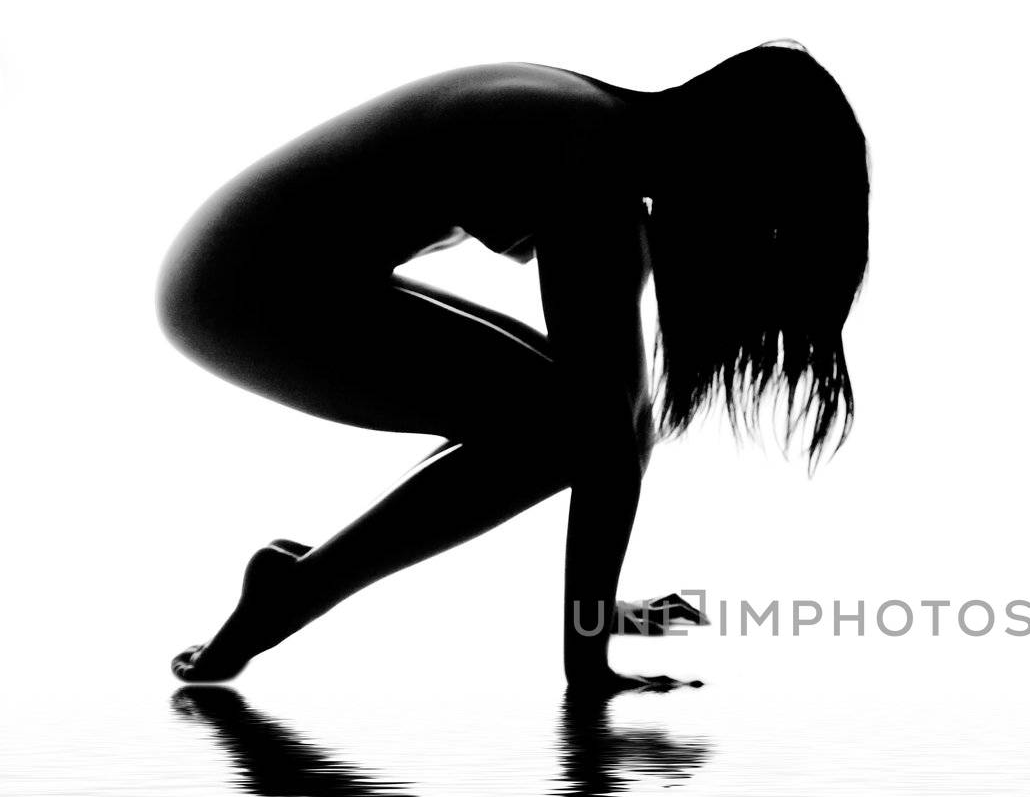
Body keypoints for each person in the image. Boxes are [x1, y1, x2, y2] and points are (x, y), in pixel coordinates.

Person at [156, 42, 869, 694]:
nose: (760, 231)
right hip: (242, 290)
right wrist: (587, 662)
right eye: (774, 212)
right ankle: (294, 594)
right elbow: (602, 430)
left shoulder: (601, 142)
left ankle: (293, 588)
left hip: (268, 272)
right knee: (562, 426)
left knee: (576, 419)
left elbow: (625, 423)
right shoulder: (582, 154)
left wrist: (599, 621)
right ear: (738, 158)